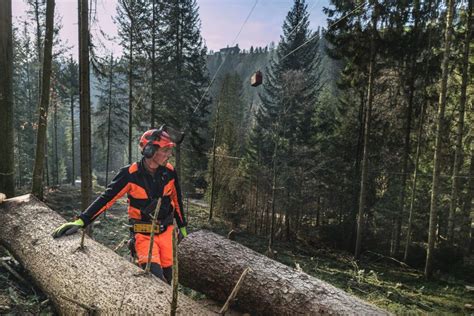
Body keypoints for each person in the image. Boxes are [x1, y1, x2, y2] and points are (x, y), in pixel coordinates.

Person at [52, 126, 187, 284]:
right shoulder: (130, 174)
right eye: (165, 150)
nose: (168, 154)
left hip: (167, 233)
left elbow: (177, 200)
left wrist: (183, 228)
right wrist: (82, 220)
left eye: (169, 150)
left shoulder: (169, 171)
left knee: (170, 278)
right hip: (143, 235)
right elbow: (106, 198)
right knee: (154, 280)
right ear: (150, 150)